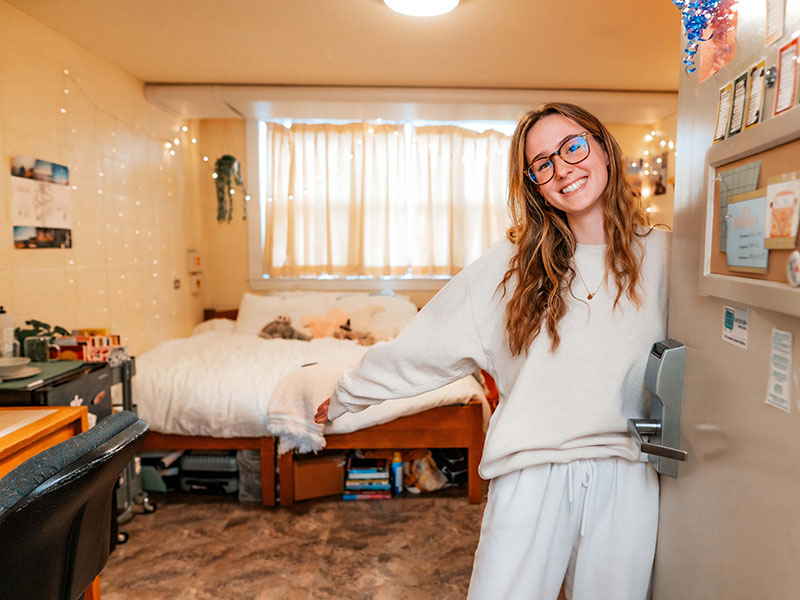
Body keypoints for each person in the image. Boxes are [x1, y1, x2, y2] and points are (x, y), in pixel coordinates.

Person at [315, 102, 669, 600]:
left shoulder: (663, 256)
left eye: (573, 146)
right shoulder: (510, 268)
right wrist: (349, 392)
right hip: (529, 473)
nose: (562, 168)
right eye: (542, 163)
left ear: (604, 149)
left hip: (626, 475)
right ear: (535, 185)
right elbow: (425, 344)